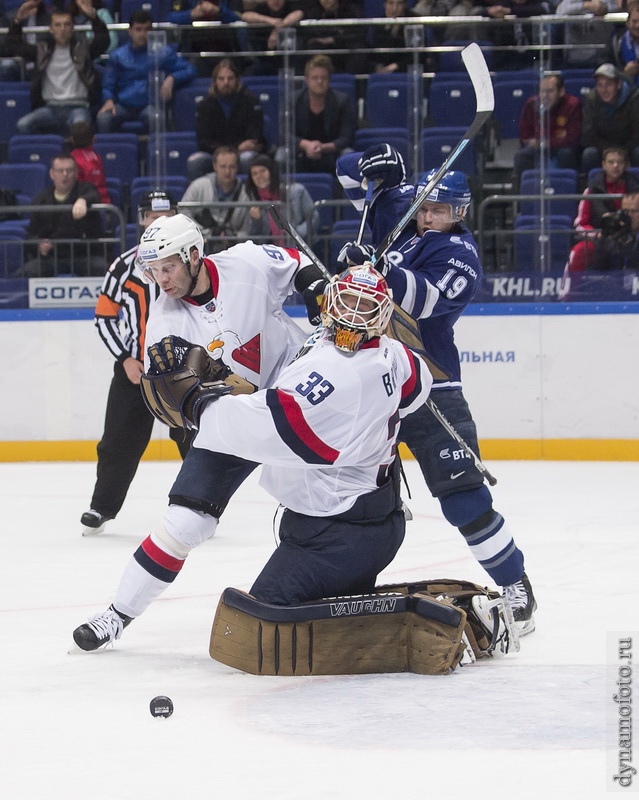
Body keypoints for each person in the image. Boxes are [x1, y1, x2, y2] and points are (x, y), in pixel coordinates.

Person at [70, 213, 348, 650]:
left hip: (298, 393)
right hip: (236, 419)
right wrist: (203, 399)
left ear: (194, 255)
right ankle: (117, 613)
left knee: (341, 484)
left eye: (168, 267)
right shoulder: (164, 323)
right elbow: (184, 407)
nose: (161, 279)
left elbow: (295, 263)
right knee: (184, 521)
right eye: (153, 270)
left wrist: (316, 288)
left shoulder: (247, 262)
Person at [336, 144, 537, 635]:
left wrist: (378, 269)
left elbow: (423, 301)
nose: (428, 217)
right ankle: (337, 580)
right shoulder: (406, 222)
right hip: (374, 384)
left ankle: (516, 586)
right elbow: (349, 178)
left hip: (432, 387)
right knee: (346, 493)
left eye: (439, 210)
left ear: (460, 213)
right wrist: (381, 169)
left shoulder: (459, 254)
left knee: (461, 495)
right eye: (424, 208)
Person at [80, 191, 197, 534]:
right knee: (117, 442)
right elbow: (104, 317)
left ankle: (201, 505)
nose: (158, 220)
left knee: (194, 439)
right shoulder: (123, 266)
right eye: (151, 215)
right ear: (142, 218)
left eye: (167, 214)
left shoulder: (192, 264)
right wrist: (126, 358)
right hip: (135, 371)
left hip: (183, 371)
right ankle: (101, 508)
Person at [6, 2, 109, 136]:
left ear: (73, 28)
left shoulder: (83, 49)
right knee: (23, 124)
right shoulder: (42, 50)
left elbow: (104, 41)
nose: (62, 29)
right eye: (58, 25)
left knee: (82, 127)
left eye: (67, 24)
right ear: (51, 29)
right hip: (50, 108)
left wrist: (94, 17)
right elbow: (13, 44)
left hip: (78, 107)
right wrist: (18, 20)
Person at [96, 10, 197, 134]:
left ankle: (156, 152)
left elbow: (190, 69)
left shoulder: (162, 53)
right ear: (130, 31)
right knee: (103, 119)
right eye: (138, 29)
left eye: (147, 29)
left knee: (156, 118)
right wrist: (108, 100)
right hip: (123, 105)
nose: (143, 34)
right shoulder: (117, 56)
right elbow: (108, 83)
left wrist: (172, 78)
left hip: (150, 105)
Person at [16, 151, 107, 278]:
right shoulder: (41, 199)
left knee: (103, 269)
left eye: (69, 170)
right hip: (53, 257)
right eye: (60, 171)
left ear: (76, 173)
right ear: (52, 174)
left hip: (83, 256)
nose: (65, 175)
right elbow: (31, 234)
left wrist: (83, 200)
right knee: (27, 272)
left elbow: (94, 194)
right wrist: (39, 244)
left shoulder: (86, 190)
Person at [185, 58, 266, 181]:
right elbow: (203, 141)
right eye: (221, 79)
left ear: (237, 80)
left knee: (248, 158)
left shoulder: (250, 102)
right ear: (215, 81)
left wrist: (237, 151)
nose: (226, 82)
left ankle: (248, 197)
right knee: (195, 161)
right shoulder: (205, 105)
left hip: (242, 155)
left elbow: (254, 137)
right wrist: (235, 148)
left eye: (230, 78)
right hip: (214, 155)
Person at [276, 54, 356, 175]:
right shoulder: (293, 100)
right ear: (306, 80)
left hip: (331, 152)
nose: (319, 82)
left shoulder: (342, 101)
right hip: (300, 152)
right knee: (281, 155)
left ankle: (346, 193)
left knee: (348, 154)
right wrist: (306, 145)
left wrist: (323, 147)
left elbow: (347, 137)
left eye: (324, 78)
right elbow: (283, 134)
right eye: (315, 78)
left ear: (329, 80)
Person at [567, 147, 639, 271]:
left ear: (625, 165)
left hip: (632, 236)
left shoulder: (635, 188)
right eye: (611, 162)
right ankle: (573, 289)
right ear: (603, 164)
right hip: (600, 237)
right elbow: (580, 225)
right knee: (579, 251)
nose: (616, 166)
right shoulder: (591, 191)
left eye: (620, 162)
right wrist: (599, 234)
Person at [181, 145, 252, 252]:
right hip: (201, 246)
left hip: (234, 249)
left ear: (237, 167)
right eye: (223, 166)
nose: (227, 171)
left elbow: (247, 229)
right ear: (215, 166)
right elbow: (183, 214)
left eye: (232, 167)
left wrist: (234, 238)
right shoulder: (198, 186)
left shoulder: (246, 193)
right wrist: (205, 233)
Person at [513, 73, 582, 185]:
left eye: (550, 91)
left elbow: (572, 139)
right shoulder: (531, 104)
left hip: (562, 149)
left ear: (561, 92)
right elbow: (524, 137)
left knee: (566, 154)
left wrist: (544, 142)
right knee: (522, 156)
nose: (544, 95)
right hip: (540, 148)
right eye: (542, 91)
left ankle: (567, 192)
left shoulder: (573, 105)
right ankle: (521, 197)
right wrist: (534, 142)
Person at [245, 153, 319, 245]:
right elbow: (255, 240)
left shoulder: (296, 191)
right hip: (270, 253)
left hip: (299, 248)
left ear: (271, 171)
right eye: (255, 173)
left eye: (262, 171)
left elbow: (313, 218)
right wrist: (256, 221)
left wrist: (297, 235)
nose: (259, 176)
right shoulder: (252, 200)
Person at [581, 63, 639, 175]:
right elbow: (589, 134)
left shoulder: (634, 99)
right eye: (600, 85)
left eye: (608, 84)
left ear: (618, 84)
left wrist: (622, 152)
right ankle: (589, 188)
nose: (604, 90)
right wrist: (609, 153)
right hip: (603, 147)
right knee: (589, 154)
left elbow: (637, 133)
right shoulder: (591, 100)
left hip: (628, 146)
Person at [166, 0, 245, 75]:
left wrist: (218, 11)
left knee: (229, 73)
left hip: (226, 50)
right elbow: (171, 17)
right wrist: (191, 14)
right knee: (189, 70)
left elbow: (237, 16)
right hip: (193, 51)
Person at [302, 0, 369, 75]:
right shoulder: (314, 11)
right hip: (325, 48)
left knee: (359, 50)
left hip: (347, 47)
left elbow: (359, 32)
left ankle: (355, 82)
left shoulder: (351, 9)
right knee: (314, 47)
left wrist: (334, 39)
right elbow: (312, 33)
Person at [241, 0, 305, 77]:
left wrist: (278, 28)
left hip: (290, 60)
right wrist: (270, 20)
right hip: (266, 59)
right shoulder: (262, 8)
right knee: (250, 71)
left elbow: (299, 13)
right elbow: (245, 16)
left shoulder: (290, 5)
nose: (275, 1)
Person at [590, 191, 639, 270]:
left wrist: (628, 243)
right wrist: (604, 237)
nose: (629, 215)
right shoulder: (616, 236)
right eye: (625, 211)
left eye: (633, 211)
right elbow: (597, 268)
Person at [68, 120, 110, 204]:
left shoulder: (70, 160)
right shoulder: (97, 158)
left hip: (81, 204)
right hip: (102, 203)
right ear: (94, 139)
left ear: (72, 139)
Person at [615, 0, 639, 87]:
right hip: (627, 93)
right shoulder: (616, 43)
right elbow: (609, 70)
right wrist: (625, 73)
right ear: (628, 23)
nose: (637, 25)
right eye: (634, 21)